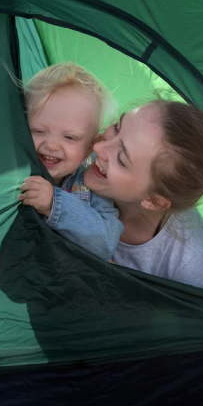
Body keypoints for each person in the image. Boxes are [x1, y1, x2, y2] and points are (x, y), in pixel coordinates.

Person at [82, 99, 203, 296]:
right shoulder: (81, 155)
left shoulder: (191, 263)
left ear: (154, 201)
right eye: (117, 127)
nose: (99, 149)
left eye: (121, 159)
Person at [17, 62, 123, 262]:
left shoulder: (90, 184)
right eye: (38, 131)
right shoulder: (14, 166)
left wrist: (54, 204)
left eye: (70, 138)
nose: (51, 145)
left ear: (90, 147)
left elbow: (106, 244)